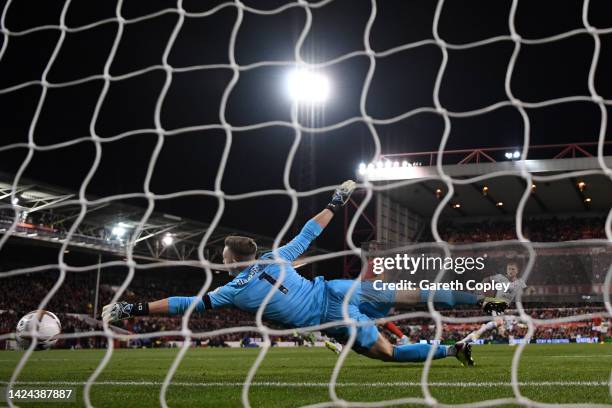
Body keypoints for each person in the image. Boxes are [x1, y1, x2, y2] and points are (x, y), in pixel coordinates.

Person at [103, 180, 507, 366]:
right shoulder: (277, 256)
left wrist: (132, 308)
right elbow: (309, 230)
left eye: (224, 256)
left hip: (330, 318)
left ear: (230, 261)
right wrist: (337, 200)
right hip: (336, 289)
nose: (222, 260)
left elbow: (184, 305)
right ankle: (484, 299)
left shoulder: (231, 293)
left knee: (390, 354)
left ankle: (453, 350)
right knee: (413, 295)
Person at [461, 260, 527, 343]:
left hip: (503, 306)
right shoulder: (500, 277)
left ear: (517, 271)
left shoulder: (520, 282)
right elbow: (486, 279)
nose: (511, 271)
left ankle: (473, 335)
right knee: (499, 323)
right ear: (506, 270)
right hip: (495, 302)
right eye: (509, 269)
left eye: (513, 269)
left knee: (499, 325)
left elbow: (525, 293)